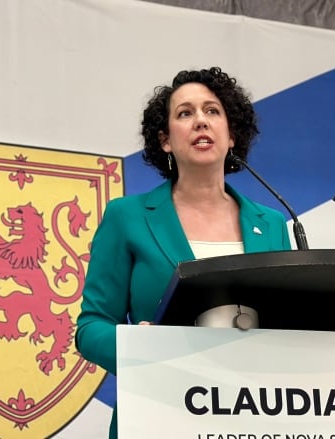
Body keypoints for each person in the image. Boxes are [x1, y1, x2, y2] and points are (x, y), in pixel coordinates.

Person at [75, 67, 292, 438]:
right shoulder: (126, 217)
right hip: (157, 413)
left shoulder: (271, 222)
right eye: (185, 113)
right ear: (165, 140)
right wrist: (138, 348)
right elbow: (90, 327)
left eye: (212, 111)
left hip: (252, 417)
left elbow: (288, 323)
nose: (200, 122)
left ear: (232, 134)